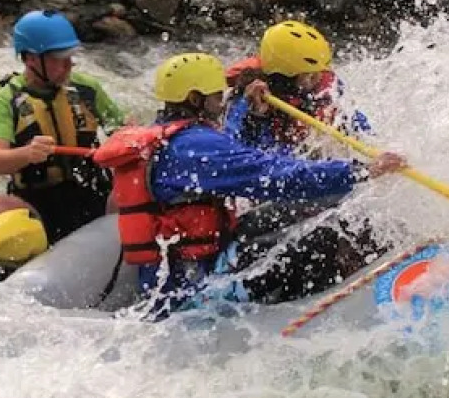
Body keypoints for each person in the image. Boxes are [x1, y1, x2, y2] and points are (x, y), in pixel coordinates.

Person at [94, 52, 406, 318]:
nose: (221, 103)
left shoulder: (170, 135)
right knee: (322, 236)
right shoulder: (193, 146)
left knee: (302, 210)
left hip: (182, 267)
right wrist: (360, 171)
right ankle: (329, 308)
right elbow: (276, 177)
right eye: (217, 97)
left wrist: (247, 110)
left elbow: (230, 148)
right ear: (194, 99)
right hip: (193, 291)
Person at [0, 9, 127, 244]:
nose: (68, 65)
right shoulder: (5, 101)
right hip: (38, 205)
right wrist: (26, 154)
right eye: (59, 59)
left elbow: (122, 132)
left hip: (93, 194)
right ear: (31, 59)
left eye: (70, 57)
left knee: (137, 183)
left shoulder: (87, 89)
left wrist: (129, 137)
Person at [225, 19, 371, 154]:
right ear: (284, 78)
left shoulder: (324, 87)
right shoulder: (248, 102)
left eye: (320, 72)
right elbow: (249, 156)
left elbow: (354, 121)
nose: (318, 79)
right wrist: (257, 118)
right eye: (310, 75)